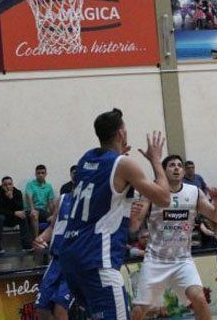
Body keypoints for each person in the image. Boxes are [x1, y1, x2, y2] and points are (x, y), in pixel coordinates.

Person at [58, 108, 171, 320]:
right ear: (121, 133)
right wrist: (156, 160)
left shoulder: (85, 159)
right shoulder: (123, 165)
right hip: (97, 258)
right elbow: (164, 198)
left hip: (71, 257)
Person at [130, 154, 217, 320]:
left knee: (200, 298)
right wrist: (133, 216)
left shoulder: (194, 192)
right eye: (172, 165)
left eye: (179, 165)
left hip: (182, 260)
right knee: (139, 311)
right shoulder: (152, 192)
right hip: (156, 260)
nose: (176, 168)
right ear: (163, 171)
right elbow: (135, 225)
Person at [32, 193, 74, 320]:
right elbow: (52, 227)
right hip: (56, 262)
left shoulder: (94, 198)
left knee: (60, 309)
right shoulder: (62, 199)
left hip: (75, 264)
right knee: (41, 308)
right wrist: (40, 239)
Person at [0, 176, 32, 254]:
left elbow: (20, 208)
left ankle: (26, 245)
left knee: (23, 216)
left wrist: (11, 198)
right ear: (2, 185)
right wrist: (13, 213)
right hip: (2, 218)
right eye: (5, 185)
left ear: (12, 184)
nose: (8, 187)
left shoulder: (17, 192)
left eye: (10, 184)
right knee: (0, 217)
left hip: (12, 218)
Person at [26, 165, 56, 237]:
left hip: (43, 212)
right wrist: (32, 209)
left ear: (46, 174)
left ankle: (49, 240)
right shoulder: (30, 185)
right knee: (35, 214)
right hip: (31, 210)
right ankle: (36, 240)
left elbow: (50, 203)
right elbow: (29, 197)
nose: (40, 175)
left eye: (42, 173)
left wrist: (54, 215)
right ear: (35, 174)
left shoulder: (48, 186)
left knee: (54, 219)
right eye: (38, 173)